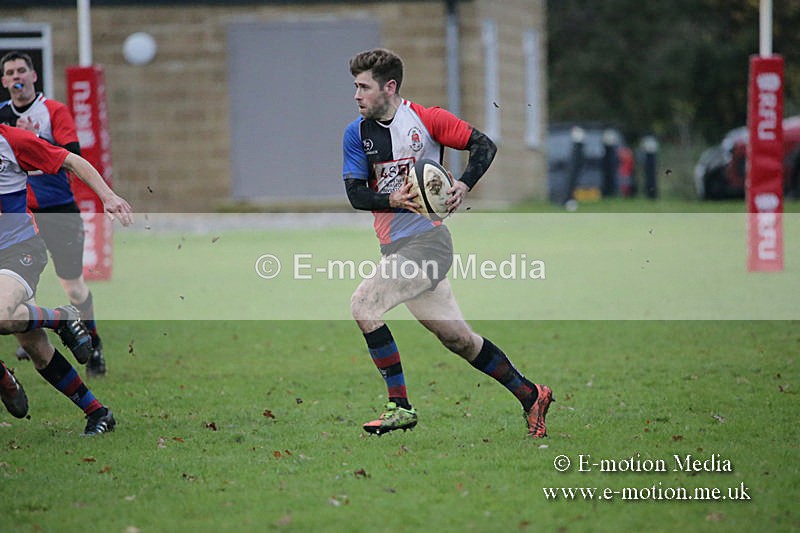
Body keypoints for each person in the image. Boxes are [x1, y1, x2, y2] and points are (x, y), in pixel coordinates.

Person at [341, 48, 553, 438]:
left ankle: (399, 407)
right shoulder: (356, 134)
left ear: (389, 87)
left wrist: (462, 184)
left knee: (364, 304)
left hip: (429, 244)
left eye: (363, 87)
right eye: (355, 86)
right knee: (458, 339)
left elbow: (483, 146)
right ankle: (531, 394)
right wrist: (393, 200)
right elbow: (355, 193)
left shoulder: (427, 120)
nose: (356, 95)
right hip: (396, 249)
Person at [0, 122, 133, 435]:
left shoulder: (11, 139)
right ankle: (98, 412)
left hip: (18, 250)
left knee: (3, 316)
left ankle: (60, 318)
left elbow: (72, 160)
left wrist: (108, 196)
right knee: (33, 344)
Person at [0, 51, 106, 377]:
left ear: (33, 76)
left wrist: (31, 141)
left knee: (72, 285)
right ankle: (30, 324)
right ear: (4, 82)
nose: (16, 77)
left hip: (59, 210)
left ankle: (94, 341)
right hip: (23, 215)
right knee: (21, 277)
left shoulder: (54, 111)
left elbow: (70, 157)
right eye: (10, 73)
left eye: (21, 70)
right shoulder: (2, 117)